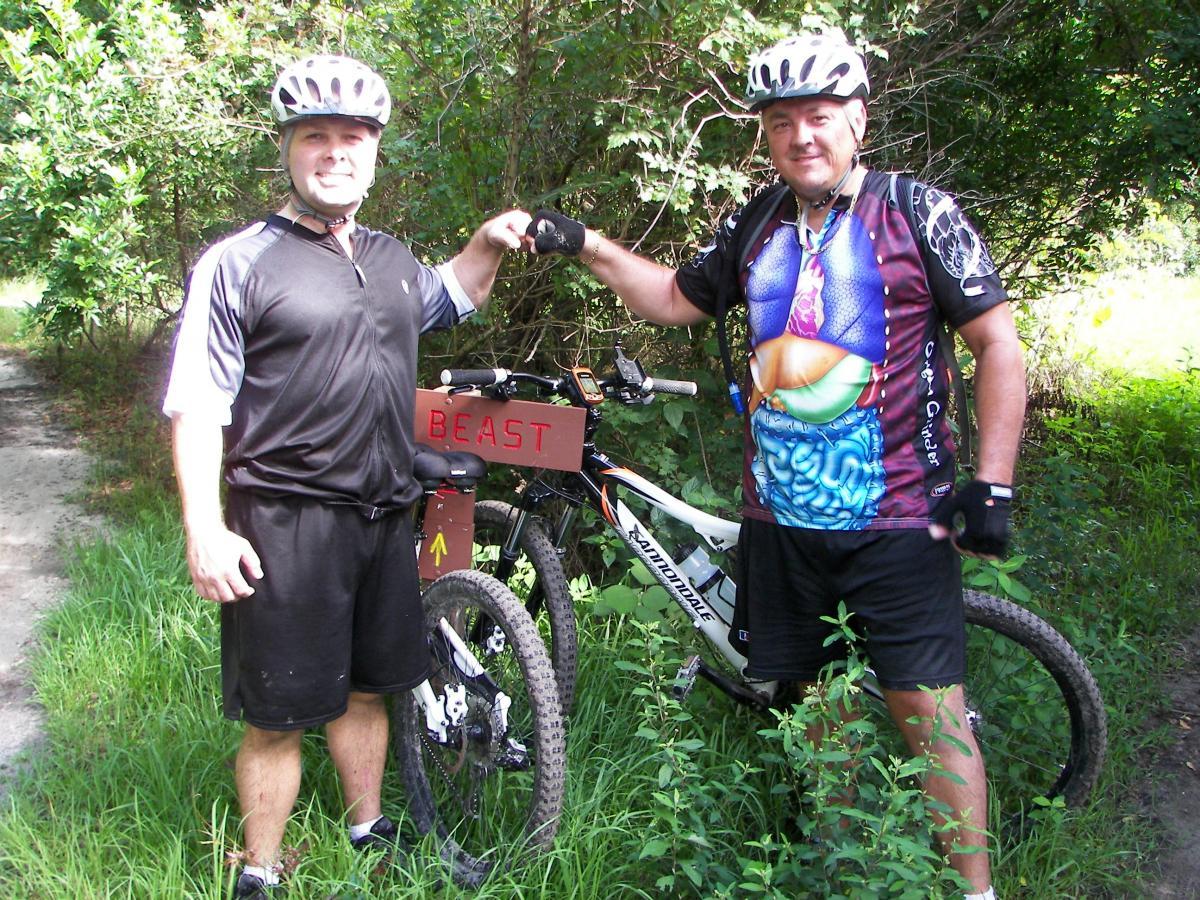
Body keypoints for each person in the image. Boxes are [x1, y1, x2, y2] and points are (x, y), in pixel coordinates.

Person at [524, 32, 1024, 900]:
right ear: (764, 134)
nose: (802, 136)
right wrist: (587, 246)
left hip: (900, 520)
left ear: (857, 122)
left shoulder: (915, 212)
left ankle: (975, 893)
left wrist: (994, 479)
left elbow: (997, 344)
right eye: (782, 121)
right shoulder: (754, 223)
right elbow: (676, 299)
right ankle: (842, 869)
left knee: (928, 712)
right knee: (813, 704)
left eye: (820, 118)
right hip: (781, 524)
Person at [162, 55, 531, 899]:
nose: (336, 152)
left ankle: (367, 827)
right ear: (287, 148)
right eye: (316, 136)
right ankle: (259, 869)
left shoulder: (391, 258)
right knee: (278, 712)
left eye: (353, 137)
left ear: (374, 150)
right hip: (284, 526)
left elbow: (448, 299)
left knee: (371, 690)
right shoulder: (239, 263)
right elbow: (197, 405)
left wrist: (485, 244)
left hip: (382, 517)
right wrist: (205, 527)